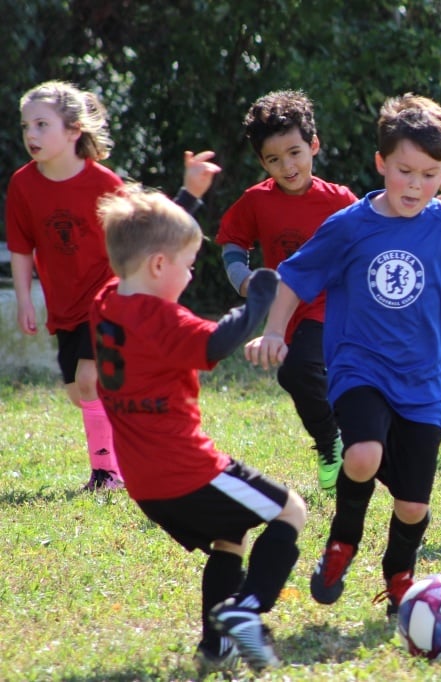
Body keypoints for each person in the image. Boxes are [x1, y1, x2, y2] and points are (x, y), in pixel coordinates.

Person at [244, 94, 441, 617]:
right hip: (360, 367)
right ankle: (342, 542)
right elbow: (293, 278)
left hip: (426, 380)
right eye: (404, 170)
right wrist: (275, 331)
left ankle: (399, 575)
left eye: (430, 175)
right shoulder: (349, 224)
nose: (414, 185)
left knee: (413, 503)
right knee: (362, 455)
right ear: (382, 162)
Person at [91, 187, 306, 674]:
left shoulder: (106, 301)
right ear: (160, 266)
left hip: (144, 485)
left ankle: (216, 647)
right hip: (189, 471)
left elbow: (138, 250)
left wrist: (185, 199)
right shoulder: (166, 321)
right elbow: (220, 341)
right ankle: (245, 610)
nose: (191, 277)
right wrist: (260, 298)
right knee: (291, 511)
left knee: (231, 536)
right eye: (188, 266)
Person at [6, 79, 219, 492]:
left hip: (107, 297)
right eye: (26, 125)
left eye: (41, 124)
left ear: (73, 131)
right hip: (64, 306)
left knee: (89, 380)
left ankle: (106, 475)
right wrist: (24, 300)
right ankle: (134, 447)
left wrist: (188, 193)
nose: (31, 134)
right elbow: (21, 245)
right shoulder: (22, 184)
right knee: (79, 391)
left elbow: (146, 227)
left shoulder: (103, 183)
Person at [215, 90, 357, 491]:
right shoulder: (256, 201)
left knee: (297, 370)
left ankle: (333, 441)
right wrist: (243, 279)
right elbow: (232, 244)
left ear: (313, 145)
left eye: (295, 153)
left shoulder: (340, 200)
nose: (287, 166)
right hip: (286, 308)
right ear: (262, 162)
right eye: (274, 160)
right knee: (298, 378)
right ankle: (335, 439)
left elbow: (362, 247)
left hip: (331, 306)